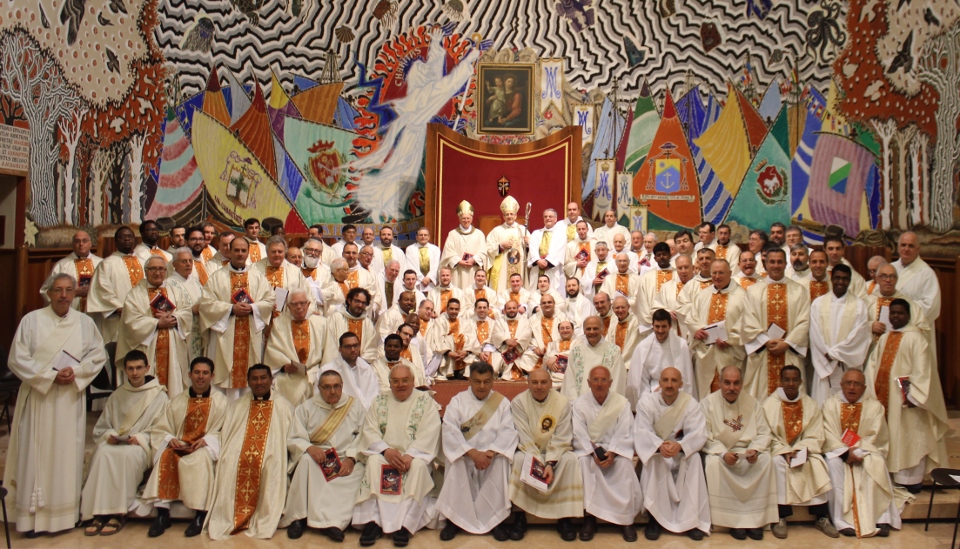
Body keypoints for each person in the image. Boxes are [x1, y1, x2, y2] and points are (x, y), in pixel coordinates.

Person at [5, 274, 107, 536]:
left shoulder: (84, 323)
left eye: (69, 290)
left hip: (68, 399)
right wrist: (50, 376)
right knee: (34, 453)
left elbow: (98, 355)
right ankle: (31, 519)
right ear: (48, 293)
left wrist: (77, 371)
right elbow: (17, 358)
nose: (64, 296)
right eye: (58, 290)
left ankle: (65, 517)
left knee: (65, 453)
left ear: (74, 294)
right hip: (39, 398)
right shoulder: (31, 321)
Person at [354, 365, 443, 547]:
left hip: (413, 456)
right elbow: (369, 429)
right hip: (386, 454)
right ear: (389, 383)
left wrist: (411, 454)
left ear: (413, 381)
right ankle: (374, 521)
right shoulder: (379, 400)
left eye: (405, 380)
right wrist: (385, 450)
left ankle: (406, 524)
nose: (400, 385)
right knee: (373, 462)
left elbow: (431, 431)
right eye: (395, 381)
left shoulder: (425, 402)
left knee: (419, 467)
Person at [80, 350, 167, 536]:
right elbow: (102, 427)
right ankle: (97, 513)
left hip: (140, 446)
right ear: (125, 370)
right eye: (130, 369)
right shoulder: (117, 395)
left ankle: (118, 513)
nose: (135, 373)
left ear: (147, 368)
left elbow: (162, 429)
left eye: (138, 368)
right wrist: (110, 435)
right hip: (117, 442)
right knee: (103, 452)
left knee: (127, 455)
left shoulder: (159, 396)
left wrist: (140, 438)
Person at [864, 299, 948, 492]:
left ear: (908, 315)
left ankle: (911, 481)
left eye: (900, 313)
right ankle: (891, 476)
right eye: (893, 313)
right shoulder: (885, 338)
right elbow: (872, 366)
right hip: (884, 400)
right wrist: (871, 392)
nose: (895, 316)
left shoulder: (916, 339)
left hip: (906, 402)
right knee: (891, 437)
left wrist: (913, 395)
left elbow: (923, 371)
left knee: (909, 440)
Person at [140, 357, 228, 538]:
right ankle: (163, 514)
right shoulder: (177, 401)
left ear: (212, 376)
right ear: (189, 374)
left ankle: (199, 515)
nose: (200, 377)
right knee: (166, 456)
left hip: (203, 447)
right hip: (179, 445)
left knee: (200, 459)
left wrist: (208, 440)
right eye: (197, 372)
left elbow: (225, 430)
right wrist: (170, 438)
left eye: (205, 373)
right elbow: (161, 428)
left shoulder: (221, 402)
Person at [206, 365, 295, 540]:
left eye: (263, 378)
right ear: (248, 382)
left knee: (271, 465)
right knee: (229, 463)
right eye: (254, 378)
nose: (259, 382)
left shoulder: (284, 406)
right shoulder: (237, 405)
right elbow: (228, 434)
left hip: (272, 453)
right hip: (239, 451)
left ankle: (262, 516)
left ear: (271, 380)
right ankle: (231, 516)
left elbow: (289, 439)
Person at [437, 362, 519, 541]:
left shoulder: (502, 403)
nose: (482, 386)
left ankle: (496, 520)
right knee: (455, 461)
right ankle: (454, 520)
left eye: (486, 381)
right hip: (466, 455)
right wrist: (472, 453)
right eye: (477, 381)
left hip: (491, 456)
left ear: (493, 381)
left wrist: (491, 453)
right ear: (470, 381)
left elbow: (508, 432)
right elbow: (450, 430)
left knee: (502, 462)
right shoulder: (458, 401)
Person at [281, 370, 366, 540]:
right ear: (319, 388)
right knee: (305, 461)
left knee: (359, 472)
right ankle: (299, 518)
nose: (332, 391)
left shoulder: (355, 406)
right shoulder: (306, 408)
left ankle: (334, 523)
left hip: (345, 457)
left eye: (336, 386)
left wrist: (351, 458)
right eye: (327, 387)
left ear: (342, 386)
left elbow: (364, 435)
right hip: (318, 457)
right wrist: (309, 448)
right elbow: (294, 437)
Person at [701, 365, 778, 540]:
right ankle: (731, 522)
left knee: (766, 460)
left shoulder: (752, 403)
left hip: (748, 453)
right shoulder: (707, 404)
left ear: (742, 383)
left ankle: (755, 521)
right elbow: (705, 436)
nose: (732, 388)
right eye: (727, 383)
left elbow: (764, 433)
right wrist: (722, 453)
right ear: (719, 382)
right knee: (712, 464)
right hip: (722, 453)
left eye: (736, 383)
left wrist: (755, 450)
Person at [633, 367, 709, 541]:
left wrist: (680, 445)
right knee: (655, 460)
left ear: (681, 384)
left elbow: (698, 432)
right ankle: (655, 518)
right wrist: (659, 446)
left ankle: (691, 521)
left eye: (674, 380)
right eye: (665, 380)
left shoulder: (690, 403)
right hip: (659, 452)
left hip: (680, 452)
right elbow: (642, 431)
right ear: (659, 383)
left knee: (695, 458)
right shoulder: (646, 403)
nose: (669, 385)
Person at [761, 366, 837, 539]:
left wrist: (799, 449)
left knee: (817, 463)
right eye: (787, 379)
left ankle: (821, 516)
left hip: (805, 450)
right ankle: (781, 517)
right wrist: (784, 450)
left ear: (801, 382)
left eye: (795, 380)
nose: (791, 383)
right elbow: (766, 434)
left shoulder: (810, 405)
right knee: (776, 463)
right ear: (780, 381)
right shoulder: (769, 405)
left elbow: (816, 434)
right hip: (780, 452)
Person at [507, 369, 583, 541]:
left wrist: (550, 462)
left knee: (570, 460)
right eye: (534, 382)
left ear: (550, 384)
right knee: (518, 459)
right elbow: (523, 434)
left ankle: (564, 517)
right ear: (528, 384)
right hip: (528, 450)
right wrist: (537, 461)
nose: (539, 387)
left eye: (543, 382)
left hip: (555, 452)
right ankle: (520, 515)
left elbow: (562, 435)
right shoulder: (519, 402)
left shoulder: (562, 402)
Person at [822, 369, 899, 538]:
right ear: (841, 385)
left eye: (857, 384)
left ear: (864, 388)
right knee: (833, 464)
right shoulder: (830, 404)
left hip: (865, 451)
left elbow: (877, 435)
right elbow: (828, 433)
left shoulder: (875, 407)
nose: (852, 387)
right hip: (838, 453)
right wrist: (845, 453)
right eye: (848, 383)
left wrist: (857, 451)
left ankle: (881, 518)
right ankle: (841, 520)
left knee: (876, 462)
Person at [571, 366, 642, 542]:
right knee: (583, 463)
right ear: (589, 383)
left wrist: (613, 452)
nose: (599, 384)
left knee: (624, 464)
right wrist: (593, 453)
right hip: (591, 453)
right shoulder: (579, 404)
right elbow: (579, 434)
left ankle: (625, 520)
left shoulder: (622, 403)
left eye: (604, 380)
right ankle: (590, 517)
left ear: (610, 383)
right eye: (595, 380)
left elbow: (625, 432)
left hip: (614, 452)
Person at [198, 237, 275, 397]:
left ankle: (245, 408)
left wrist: (253, 308)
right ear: (230, 251)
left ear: (248, 252)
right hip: (224, 337)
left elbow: (270, 300)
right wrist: (231, 309)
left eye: (243, 250)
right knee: (224, 383)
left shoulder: (257, 276)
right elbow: (206, 304)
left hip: (250, 334)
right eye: (236, 250)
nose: (240, 254)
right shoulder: (217, 277)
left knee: (249, 377)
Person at [117, 255, 193, 397]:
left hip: (172, 348)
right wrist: (157, 323)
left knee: (173, 388)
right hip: (149, 348)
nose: (158, 273)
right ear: (146, 271)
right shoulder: (135, 294)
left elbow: (186, 312)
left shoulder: (175, 290)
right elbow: (131, 322)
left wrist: (175, 318)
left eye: (161, 269)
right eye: (153, 269)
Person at [742, 248, 810, 399]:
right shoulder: (753, 291)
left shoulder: (799, 290)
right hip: (763, 353)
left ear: (786, 264)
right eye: (772, 262)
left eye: (780, 262)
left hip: (789, 352)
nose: (776, 265)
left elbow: (804, 321)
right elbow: (748, 321)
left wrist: (787, 343)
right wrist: (766, 341)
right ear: (765, 264)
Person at [808, 264, 871, 403]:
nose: (841, 282)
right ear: (831, 278)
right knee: (823, 403)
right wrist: (827, 353)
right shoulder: (818, 303)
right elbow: (815, 334)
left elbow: (859, 336)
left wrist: (834, 354)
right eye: (837, 278)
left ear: (850, 281)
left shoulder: (859, 305)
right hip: (824, 363)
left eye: (845, 278)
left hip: (846, 364)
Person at [686, 259, 748, 399]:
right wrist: (696, 330)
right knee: (705, 396)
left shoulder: (742, 296)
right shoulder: (703, 294)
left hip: (729, 353)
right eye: (714, 273)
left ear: (730, 273)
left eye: (721, 273)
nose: (717, 276)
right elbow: (691, 318)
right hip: (706, 354)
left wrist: (731, 339)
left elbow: (746, 322)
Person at [262, 289, 327, 406]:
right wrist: (283, 366)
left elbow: (329, 353)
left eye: (302, 303)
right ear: (288, 306)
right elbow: (273, 352)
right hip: (289, 374)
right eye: (294, 304)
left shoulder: (321, 322)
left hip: (314, 373)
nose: (299, 307)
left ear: (308, 304)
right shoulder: (278, 323)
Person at [87, 226, 144, 344]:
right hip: (120, 317)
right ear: (115, 241)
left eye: (130, 236)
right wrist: (118, 307)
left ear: (135, 240)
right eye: (122, 237)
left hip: (145, 316)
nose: (127, 239)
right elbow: (101, 289)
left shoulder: (144, 262)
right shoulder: (106, 264)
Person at [627, 308, 695, 408]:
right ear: (652, 325)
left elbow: (685, 377)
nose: (660, 331)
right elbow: (640, 379)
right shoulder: (643, 347)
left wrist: (666, 389)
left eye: (664, 326)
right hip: (651, 392)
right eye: (657, 326)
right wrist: (648, 398)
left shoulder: (681, 345)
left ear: (670, 326)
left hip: (675, 392)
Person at [892, 231, 941, 360]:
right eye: (903, 245)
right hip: (890, 327)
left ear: (918, 249)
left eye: (911, 246)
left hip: (915, 331)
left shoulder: (926, 273)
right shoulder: (889, 269)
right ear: (898, 247)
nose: (906, 249)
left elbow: (931, 306)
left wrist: (902, 312)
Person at [560, 316, 625, 398]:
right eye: (588, 329)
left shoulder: (614, 351)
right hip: (580, 403)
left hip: (606, 402)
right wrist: (575, 403)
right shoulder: (576, 352)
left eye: (595, 328)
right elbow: (570, 382)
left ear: (602, 329)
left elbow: (616, 381)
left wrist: (607, 402)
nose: (592, 332)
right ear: (584, 331)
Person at [39, 230, 102, 312]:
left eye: (84, 241)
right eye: (77, 241)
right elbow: (46, 291)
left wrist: (92, 291)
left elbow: (110, 288)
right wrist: (72, 291)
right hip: (69, 312)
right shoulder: (62, 265)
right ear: (72, 244)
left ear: (90, 243)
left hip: (96, 313)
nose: (81, 244)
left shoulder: (101, 263)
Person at [321, 332, 380, 412]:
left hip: (367, 414)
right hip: (338, 414)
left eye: (355, 346)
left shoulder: (366, 368)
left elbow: (375, 396)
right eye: (348, 347)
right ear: (340, 349)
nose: (352, 350)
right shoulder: (327, 370)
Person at [253, 235, 307, 322]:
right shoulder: (255, 268)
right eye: (273, 252)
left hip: (286, 318)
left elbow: (306, 293)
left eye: (280, 252)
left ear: (285, 252)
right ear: (267, 252)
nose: (277, 254)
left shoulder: (295, 271)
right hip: (260, 318)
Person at [324, 287, 379, 363]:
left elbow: (371, 349)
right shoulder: (335, 318)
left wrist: (359, 363)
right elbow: (329, 345)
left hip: (361, 365)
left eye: (363, 303)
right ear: (349, 301)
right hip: (338, 364)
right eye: (357, 301)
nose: (360, 305)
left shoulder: (367, 323)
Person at [441, 200, 487, 289]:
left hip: (473, 269)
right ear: (459, 219)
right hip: (458, 270)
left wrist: (474, 260)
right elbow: (448, 252)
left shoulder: (479, 234)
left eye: (468, 218)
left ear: (472, 219)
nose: (466, 221)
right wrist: (459, 261)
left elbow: (483, 251)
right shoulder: (452, 234)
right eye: (463, 218)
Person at [427, 298, 477, 380]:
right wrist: (449, 353)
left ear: (459, 310)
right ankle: (450, 371)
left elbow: (472, 338)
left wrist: (466, 352)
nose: (454, 311)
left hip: (463, 356)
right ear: (447, 309)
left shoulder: (464, 322)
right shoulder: (440, 321)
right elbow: (438, 339)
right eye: (451, 309)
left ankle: (461, 371)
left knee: (465, 337)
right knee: (449, 339)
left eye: (456, 309)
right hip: (447, 355)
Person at [487, 195, 529, 292]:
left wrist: (527, 244)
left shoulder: (522, 229)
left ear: (515, 215)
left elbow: (531, 249)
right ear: (503, 216)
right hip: (502, 267)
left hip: (519, 265)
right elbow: (488, 247)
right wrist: (501, 246)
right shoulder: (497, 230)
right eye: (507, 214)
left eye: (511, 214)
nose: (509, 216)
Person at [635, 242, 676, 332]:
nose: (662, 257)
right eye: (658, 255)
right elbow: (642, 302)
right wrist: (651, 320)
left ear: (670, 255)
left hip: (675, 322)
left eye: (664, 254)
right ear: (655, 258)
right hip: (653, 324)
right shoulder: (647, 277)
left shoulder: (677, 274)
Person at [652, 253, 694, 338]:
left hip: (693, 331)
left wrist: (681, 311)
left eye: (686, 267)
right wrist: (667, 312)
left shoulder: (699, 286)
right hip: (672, 331)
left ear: (693, 268)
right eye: (680, 268)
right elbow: (655, 308)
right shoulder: (667, 287)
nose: (683, 271)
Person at [527, 208, 566, 291]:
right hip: (537, 268)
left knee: (552, 292)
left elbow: (559, 251)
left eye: (550, 216)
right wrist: (538, 260)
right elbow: (532, 248)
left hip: (551, 269)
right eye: (545, 216)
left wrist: (547, 262)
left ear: (555, 219)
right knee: (536, 293)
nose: (548, 218)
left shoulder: (561, 235)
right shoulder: (536, 233)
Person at [491, 299, 532, 380]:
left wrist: (516, 343)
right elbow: (496, 333)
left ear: (517, 309)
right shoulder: (499, 321)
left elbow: (527, 332)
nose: (512, 310)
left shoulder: (525, 321)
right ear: (505, 310)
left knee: (528, 358)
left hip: (520, 349)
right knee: (495, 364)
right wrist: (507, 341)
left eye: (514, 308)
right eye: (509, 308)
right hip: (504, 349)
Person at [823, 235, 867, 299]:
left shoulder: (856, 278)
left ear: (843, 250)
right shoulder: (816, 274)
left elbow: (862, 299)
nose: (834, 252)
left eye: (838, 249)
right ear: (825, 251)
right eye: (831, 249)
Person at [543, 320, 579, 388]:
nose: (565, 330)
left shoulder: (578, 342)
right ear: (558, 331)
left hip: (572, 377)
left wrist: (556, 356)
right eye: (562, 328)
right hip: (553, 377)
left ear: (573, 330)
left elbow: (575, 352)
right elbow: (546, 358)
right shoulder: (552, 344)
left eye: (567, 328)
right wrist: (550, 364)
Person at [405, 227, 442, 293]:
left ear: (429, 237)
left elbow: (436, 266)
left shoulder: (435, 249)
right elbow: (410, 265)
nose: (423, 237)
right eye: (421, 235)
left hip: (431, 282)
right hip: (416, 283)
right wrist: (421, 278)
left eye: (425, 235)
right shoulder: (410, 249)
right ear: (416, 237)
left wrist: (428, 278)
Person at [607, 295, 640, 365]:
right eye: (617, 308)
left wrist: (619, 362)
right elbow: (608, 341)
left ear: (628, 307)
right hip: (613, 362)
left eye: (623, 307)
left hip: (628, 364)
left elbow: (631, 346)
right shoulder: (613, 321)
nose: (620, 310)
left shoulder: (635, 322)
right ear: (613, 308)